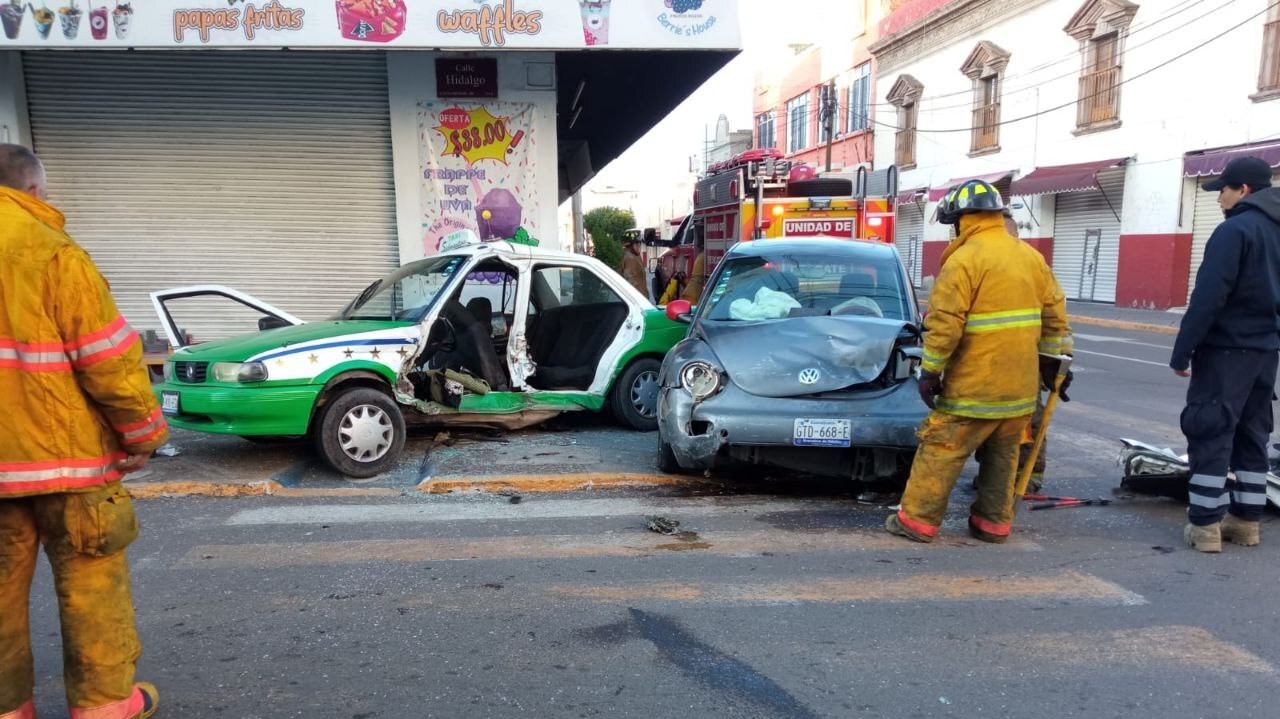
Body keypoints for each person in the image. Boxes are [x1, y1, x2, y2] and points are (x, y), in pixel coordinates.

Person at [0, 144, 166, 719]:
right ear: (36, 192)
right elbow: (109, 360)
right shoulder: (52, 254)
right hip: (67, 464)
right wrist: (142, 434)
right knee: (92, 581)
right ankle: (104, 706)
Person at [886, 179, 1071, 544]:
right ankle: (992, 525)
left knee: (941, 449)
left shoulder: (964, 260)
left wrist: (930, 373)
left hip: (973, 387)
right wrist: (1056, 365)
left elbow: (945, 325)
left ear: (961, 220)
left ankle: (918, 522)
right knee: (1003, 461)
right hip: (1019, 391)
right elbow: (1055, 319)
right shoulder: (1030, 257)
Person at [1172, 155, 1280, 553]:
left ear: (1244, 190)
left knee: (1211, 429)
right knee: (1254, 433)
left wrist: (1182, 351)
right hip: (1266, 352)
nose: (1220, 200)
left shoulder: (1235, 231)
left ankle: (1205, 526)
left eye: (1225, 192)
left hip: (1225, 351)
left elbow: (1208, 298)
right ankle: (1246, 522)